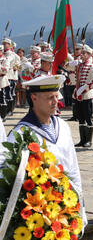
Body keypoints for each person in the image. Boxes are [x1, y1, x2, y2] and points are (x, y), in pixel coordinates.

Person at [4, 75, 87, 226]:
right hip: (38, 214)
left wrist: (80, 202)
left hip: (66, 205)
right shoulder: (22, 133)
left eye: (57, 96)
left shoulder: (62, 126)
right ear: (34, 97)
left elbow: (73, 166)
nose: (56, 102)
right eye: (50, 97)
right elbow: (8, 175)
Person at [68, 45, 93, 147]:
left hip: (87, 94)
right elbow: (65, 66)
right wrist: (71, 63)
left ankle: (88, 140)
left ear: (89, 54)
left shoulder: (92, 66)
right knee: (81, 118)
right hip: (78, 94)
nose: (82, 54)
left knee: (88, 117)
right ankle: (82, 140)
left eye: (85, 53)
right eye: (82, 53)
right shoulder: (79, 65)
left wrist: (84, 88)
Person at [0, 45, 10, 120]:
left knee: (2, 97)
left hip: (2, 80)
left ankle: (3, 115)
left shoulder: (5, 59)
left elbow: (5, 70)